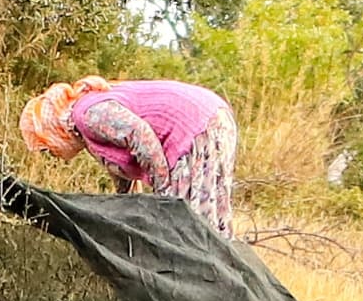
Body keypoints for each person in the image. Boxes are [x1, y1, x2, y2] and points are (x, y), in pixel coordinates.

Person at [21, 75, 241, 234]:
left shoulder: (87, 114)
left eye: (45, 147)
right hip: (211, 120)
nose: (51, 154)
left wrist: (163, 193)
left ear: (50, 129)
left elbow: (141, 136)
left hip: (196, 128)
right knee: (203, 223)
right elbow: (124, 167)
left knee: (191, 227)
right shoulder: (86, 126)